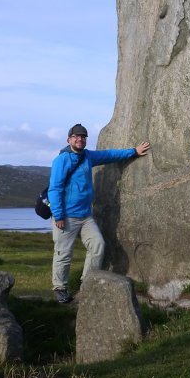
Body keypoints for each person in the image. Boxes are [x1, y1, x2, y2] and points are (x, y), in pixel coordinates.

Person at [47, 123, 149, 303]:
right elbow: (55, 189)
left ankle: (87, 282)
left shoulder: (88, 156)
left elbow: (110, 155)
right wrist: (59, 215)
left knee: (98, 245)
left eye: (83, 137)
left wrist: (134, 151)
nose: (80, 139)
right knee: (63, 253)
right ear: (69, 139)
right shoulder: (61, 160)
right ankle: (60, 288)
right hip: (66, 216)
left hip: (85, 216)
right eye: (76, 137)